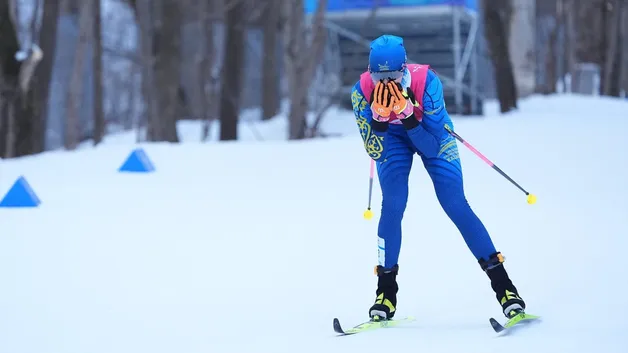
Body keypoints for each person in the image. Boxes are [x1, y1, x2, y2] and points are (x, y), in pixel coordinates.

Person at [350, 34, 527, 321]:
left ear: (404, 68)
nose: (386, 84)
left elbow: (431, 147)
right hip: (392, 139)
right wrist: (379, 123)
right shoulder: (361, 91)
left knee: (455, 203)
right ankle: (385, 294)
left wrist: (408, 116)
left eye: (393, 75)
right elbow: (374, 150)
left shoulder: (427, 82)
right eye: (379, 76)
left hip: (430, 132)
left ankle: (505, 289)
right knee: (393, 204)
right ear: (371, 73)